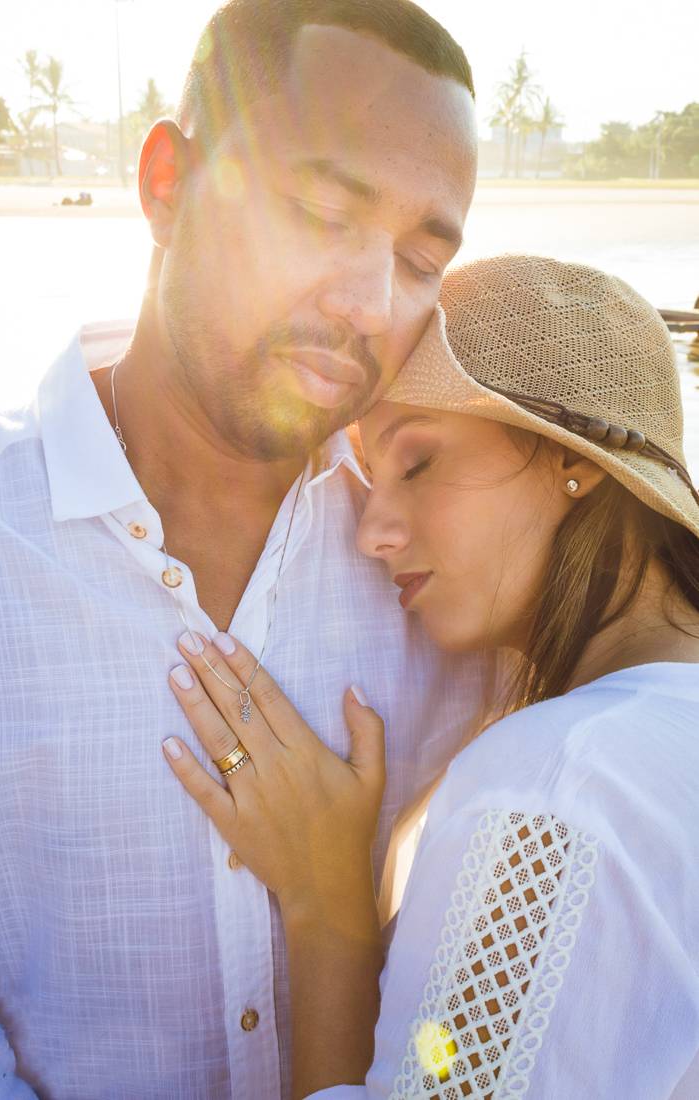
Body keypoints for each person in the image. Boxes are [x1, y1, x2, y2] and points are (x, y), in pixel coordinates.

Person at [0, 3, 495, 1098]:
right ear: (166, 184)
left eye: (416, 259)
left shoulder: (448, 574)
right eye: (314, 212)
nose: (365, 303)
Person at [163, 254, 699, 1099]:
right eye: (369, 482)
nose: (372, 531)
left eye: (416, 465)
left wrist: (327, 906)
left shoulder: (559, 785)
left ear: (578, 461)